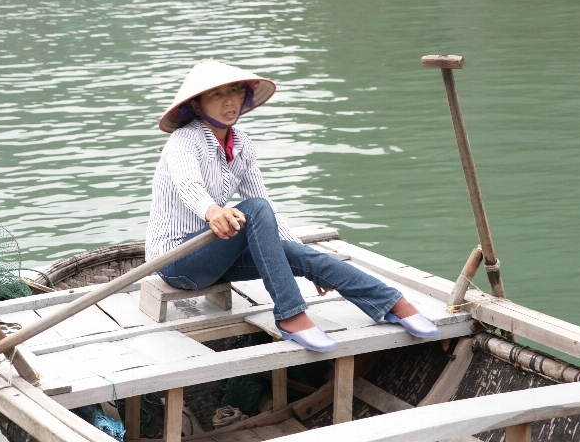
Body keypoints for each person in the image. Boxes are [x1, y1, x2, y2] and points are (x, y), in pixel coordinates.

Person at [145, 59, 439, 352]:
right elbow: (189, 187)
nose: (229, 101)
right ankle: (290, 315)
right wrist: (213, 211)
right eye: (217, 95)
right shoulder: (184, 140)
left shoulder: (242, 145)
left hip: (215, 255)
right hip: (176, 260)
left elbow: (266, 208)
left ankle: (392, 302)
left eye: (234, 91)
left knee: (297, 249)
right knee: (256, 208)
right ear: (196, 105)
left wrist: (306, 260)